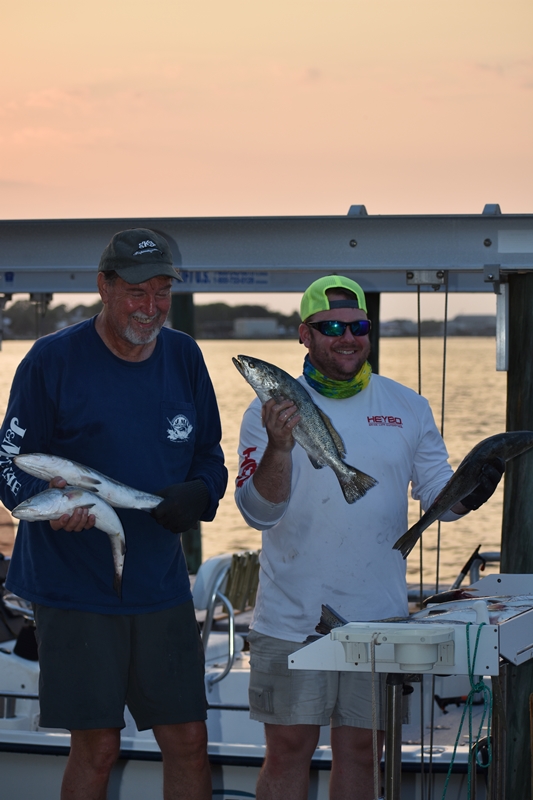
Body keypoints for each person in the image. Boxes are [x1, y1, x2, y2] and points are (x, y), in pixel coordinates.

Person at [234, 275, 503, 800]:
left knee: (362, 754)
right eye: (330, 326)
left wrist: (472, 491)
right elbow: (257, 514)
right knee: (288, 751)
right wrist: (280, 446)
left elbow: (437, 497)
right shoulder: (267, 411)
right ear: (304, 335)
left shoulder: (407, 405)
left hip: (378, 618)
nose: (347, 336)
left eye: (358, 325)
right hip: (291, 620)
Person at [0, 228, 228, 800]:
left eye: (160, 293)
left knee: (188, 738)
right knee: (97, 745)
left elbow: (210, 457)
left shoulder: (185, 356)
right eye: (135, 293)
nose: (149, 308)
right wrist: (50, 510)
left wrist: (199, 495)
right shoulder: (51, 361)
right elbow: (9, 466)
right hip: (73, 585)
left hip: (160, 581)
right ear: (104, 287)